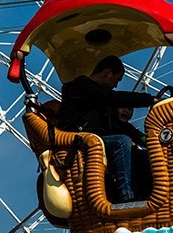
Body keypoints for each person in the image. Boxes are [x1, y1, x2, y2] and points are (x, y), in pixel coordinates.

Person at [58, 55, 154, 203]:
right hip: (77, 141)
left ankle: (149, 194)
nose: (115, 85)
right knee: (121, 141)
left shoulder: (105, 106)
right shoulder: (80, 87)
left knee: (142, 155)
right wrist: (150, 100)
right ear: (107, 73)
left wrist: (152, 143)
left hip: (97, 141)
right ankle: (127, 197)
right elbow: (112, 97)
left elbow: (133, 133)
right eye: (117, 80)